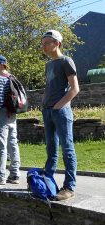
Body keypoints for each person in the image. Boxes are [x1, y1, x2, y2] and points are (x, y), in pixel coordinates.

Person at [41, 30, 79, 201]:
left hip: (61, 112)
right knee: (51, 149)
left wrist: (58, 106)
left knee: (67, 149)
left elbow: (75, 89)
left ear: (57, 43)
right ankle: (47, 182)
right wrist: (45, 105)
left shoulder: (66, 61)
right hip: (47, 111)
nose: (43, 46)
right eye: (42, 43)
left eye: (47, 42)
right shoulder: (48, 65)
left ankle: (69, 187)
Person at [0, 55, 21, 185]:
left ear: (1, 65)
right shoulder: (12, 78)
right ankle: (15, 175)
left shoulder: (0, 79)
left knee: (2, 146)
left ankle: (0, 176)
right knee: (13, 144)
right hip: (12, 114)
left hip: (2, 115)